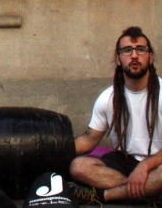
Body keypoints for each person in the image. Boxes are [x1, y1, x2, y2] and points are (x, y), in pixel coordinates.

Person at [69, 26, 162, 205]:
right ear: (118, 59)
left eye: (141, 49)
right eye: (127, 50)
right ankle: (150, 192)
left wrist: (145, 166)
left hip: (157, 162)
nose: (134, 55)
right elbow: (88, 140)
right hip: (124, 162)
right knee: (78, 166)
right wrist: (54, 151)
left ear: (150, 57)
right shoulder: (108, 98)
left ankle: (105, 196)